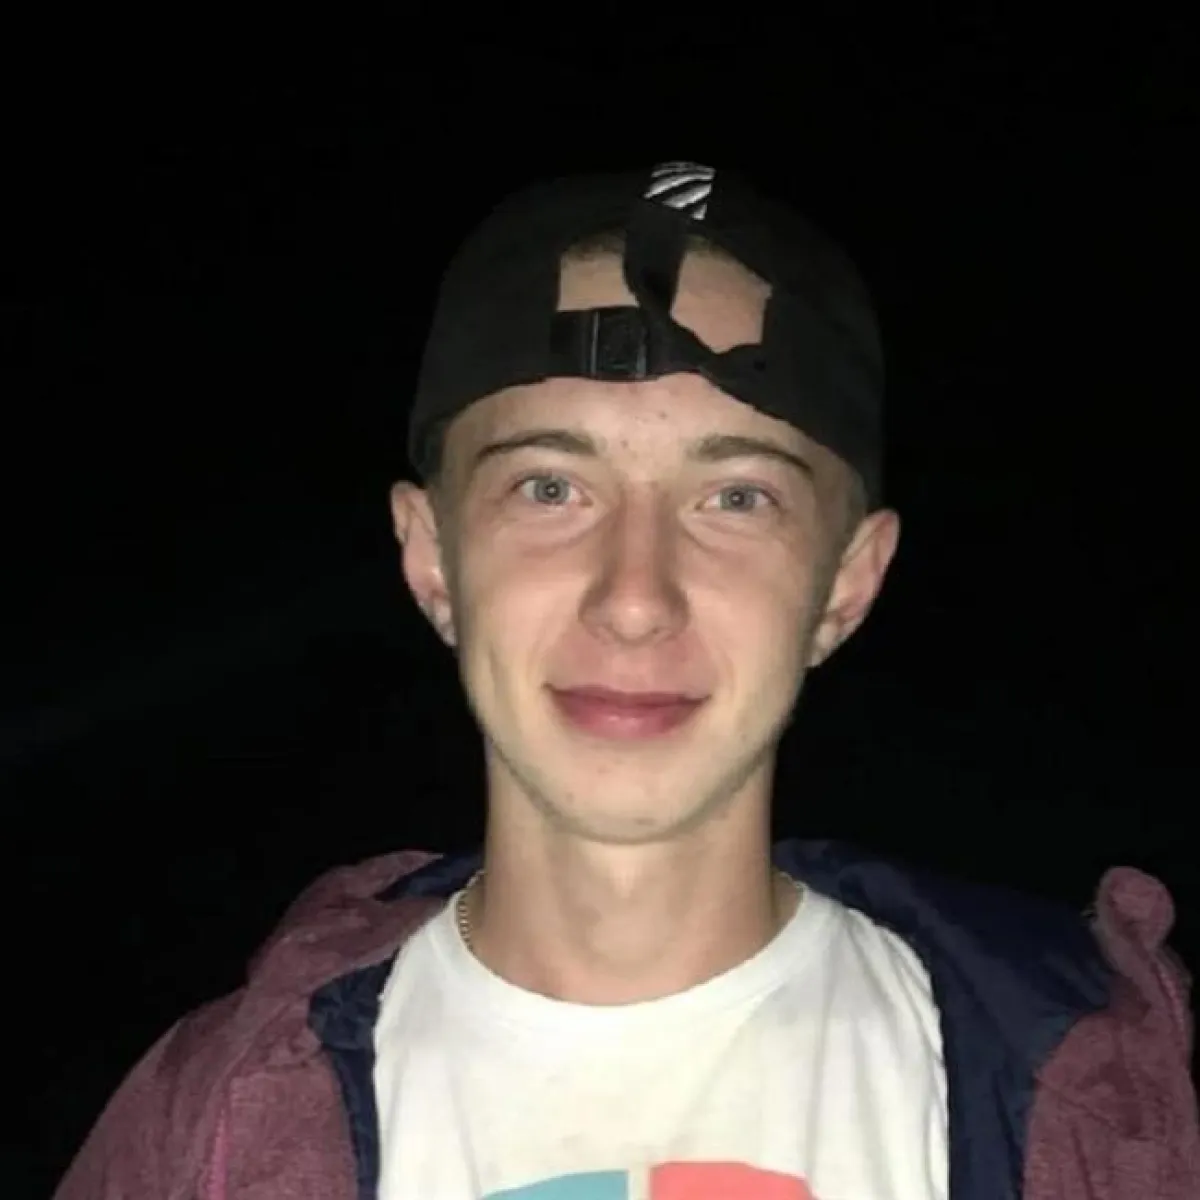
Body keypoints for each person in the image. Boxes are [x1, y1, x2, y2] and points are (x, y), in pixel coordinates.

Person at [55, 161, 1198, 1200]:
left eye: (736, 498)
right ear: (433, 557)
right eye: (549, 488)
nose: (636, 596)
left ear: (847, 583)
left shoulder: (1107, 1104)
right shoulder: (200, 1128)